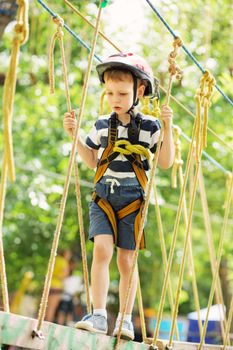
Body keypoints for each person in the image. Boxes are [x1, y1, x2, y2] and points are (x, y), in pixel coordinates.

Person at [63, 52, 174, 340]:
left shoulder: (150, 126)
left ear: (139, 91)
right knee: (101, 251)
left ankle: (124, 319)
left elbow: (165, 162)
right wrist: (75, 136)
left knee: (126, 261)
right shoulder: (102, 124)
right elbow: (91, 160)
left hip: (133, 200)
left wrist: (168, 127)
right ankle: (98, 314)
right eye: (110, 92)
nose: (115, 98)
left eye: (122, 93)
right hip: (103, 197)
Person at [45, 249, 71, 322]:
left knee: (44, 306)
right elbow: (65, 275)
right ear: (65, 254)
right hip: (57, 286)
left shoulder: (55, 260)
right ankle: (46, 325)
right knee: (52, 308)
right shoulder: (64, 262)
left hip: (48, 284)